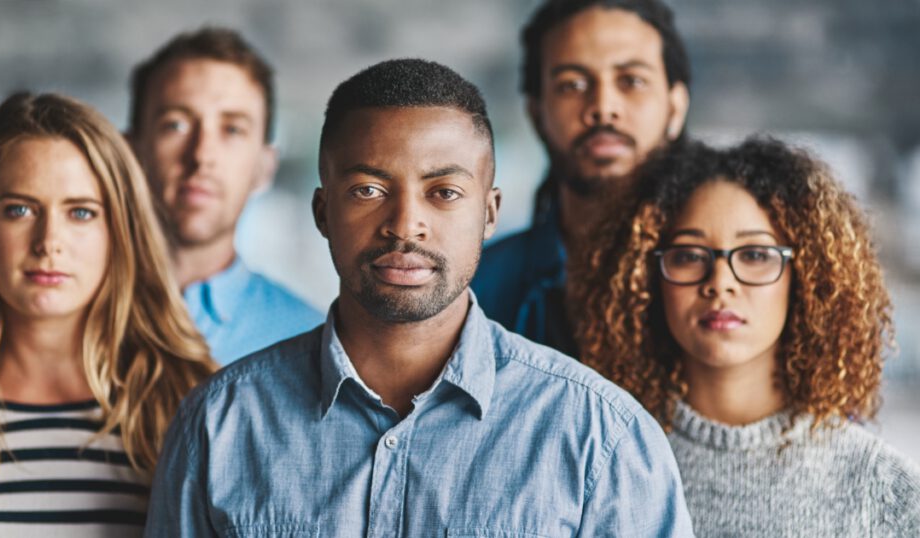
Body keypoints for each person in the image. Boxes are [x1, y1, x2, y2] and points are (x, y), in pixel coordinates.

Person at [145, 58, 694, 537]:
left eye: (444, 192)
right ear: (322, 212)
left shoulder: (601, 437)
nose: (406, 224)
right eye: (368, 190)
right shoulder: (218, 424)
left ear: (489, 214)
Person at [0, 92, 217, 536]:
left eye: (81, 213)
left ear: (119, 232)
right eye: (20, 210)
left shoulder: (198, 410)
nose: (48, 242)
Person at [568, 137, 920, 535]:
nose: (720, 283)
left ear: (807, 278)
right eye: (689, 255)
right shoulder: (602, 462)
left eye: (755, 255)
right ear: (645, 278)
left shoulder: (882, 489)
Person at [472, 0, 691, 355]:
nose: (603, 107)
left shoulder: (735, 278)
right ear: (536, 113)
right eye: (572, 84)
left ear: (675, 108)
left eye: (632, 81)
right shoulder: (474, 290)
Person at [127, 27, 323, 364]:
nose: (202, 155)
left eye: (232, 129)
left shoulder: (314, 348)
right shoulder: (58, 316)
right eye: (176, 125)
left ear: (264, 167)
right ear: (129, 152)